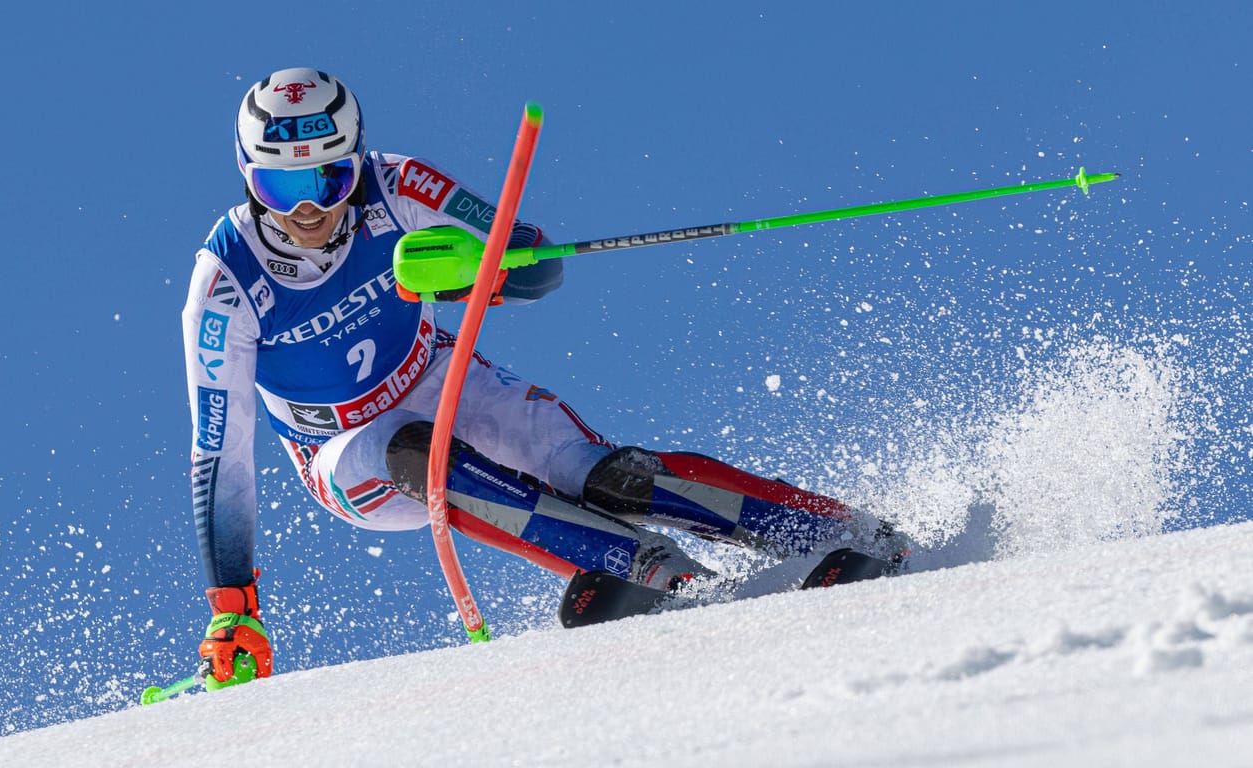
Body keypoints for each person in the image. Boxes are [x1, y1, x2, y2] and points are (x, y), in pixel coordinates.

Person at [182, 66, 908, 690]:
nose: (309, 209)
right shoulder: (224, 286)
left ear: (357, 160)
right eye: (280, 187)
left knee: (605, 476)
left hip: (443, 378)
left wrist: (482, 271)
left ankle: (842, 531)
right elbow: (222, 456)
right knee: (414, 452)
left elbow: (538, 258)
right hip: (344, 452)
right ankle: (657, 573)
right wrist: (233, 605)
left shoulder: (395, 183)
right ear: (247, 177)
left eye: (328, 178)